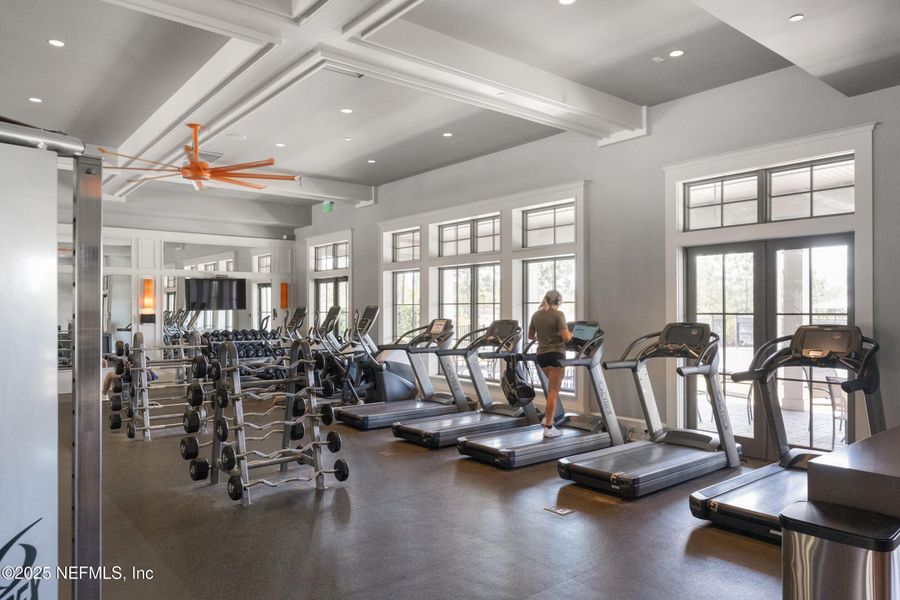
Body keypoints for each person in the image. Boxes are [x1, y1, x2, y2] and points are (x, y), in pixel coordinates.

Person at [528, 290, 572, 438]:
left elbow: (530, 336)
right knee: (553, 391)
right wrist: (571, 334)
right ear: (558, 302)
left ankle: (547, 417)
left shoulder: (536, 314)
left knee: (551, 389)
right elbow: (566, 337)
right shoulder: (559, 315)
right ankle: (549, 427)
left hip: (541, 356)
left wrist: (544, 335)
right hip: (556, 355)